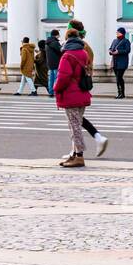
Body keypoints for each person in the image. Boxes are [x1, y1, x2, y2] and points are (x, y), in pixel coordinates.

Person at [54, 27, 103, 168]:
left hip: (71, 94)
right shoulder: (83, 53)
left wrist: (56, 88)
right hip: (82, 92)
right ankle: (74, 154)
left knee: (74, 126)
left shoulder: (67, 56)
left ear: (67, 38)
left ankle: (79, 156)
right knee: (75, 124)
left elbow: (63, 76)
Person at [109, 28, 131, 99]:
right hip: (115, 62)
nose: (117, 33)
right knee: (117, 78)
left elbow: (127, 50)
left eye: (118, 32)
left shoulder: (126, 41)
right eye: (117, 32)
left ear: (122, 33)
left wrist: (118, 52)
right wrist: (111, 51)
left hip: (122, 62)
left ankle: (122, 93)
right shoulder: (115, 40)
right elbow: (111, 48)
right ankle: (119, 93)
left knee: (119, 77)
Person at [46, 30, 63, 99]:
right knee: (56, 78)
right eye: (58, 35)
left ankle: (51, 92)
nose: (59, 36)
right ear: (56, 35)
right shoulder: (55, 43)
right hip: (56, 63)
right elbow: (60, 51)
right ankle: (56, 91)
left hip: (50, 63)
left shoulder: (47, 42)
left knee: (51, 78)